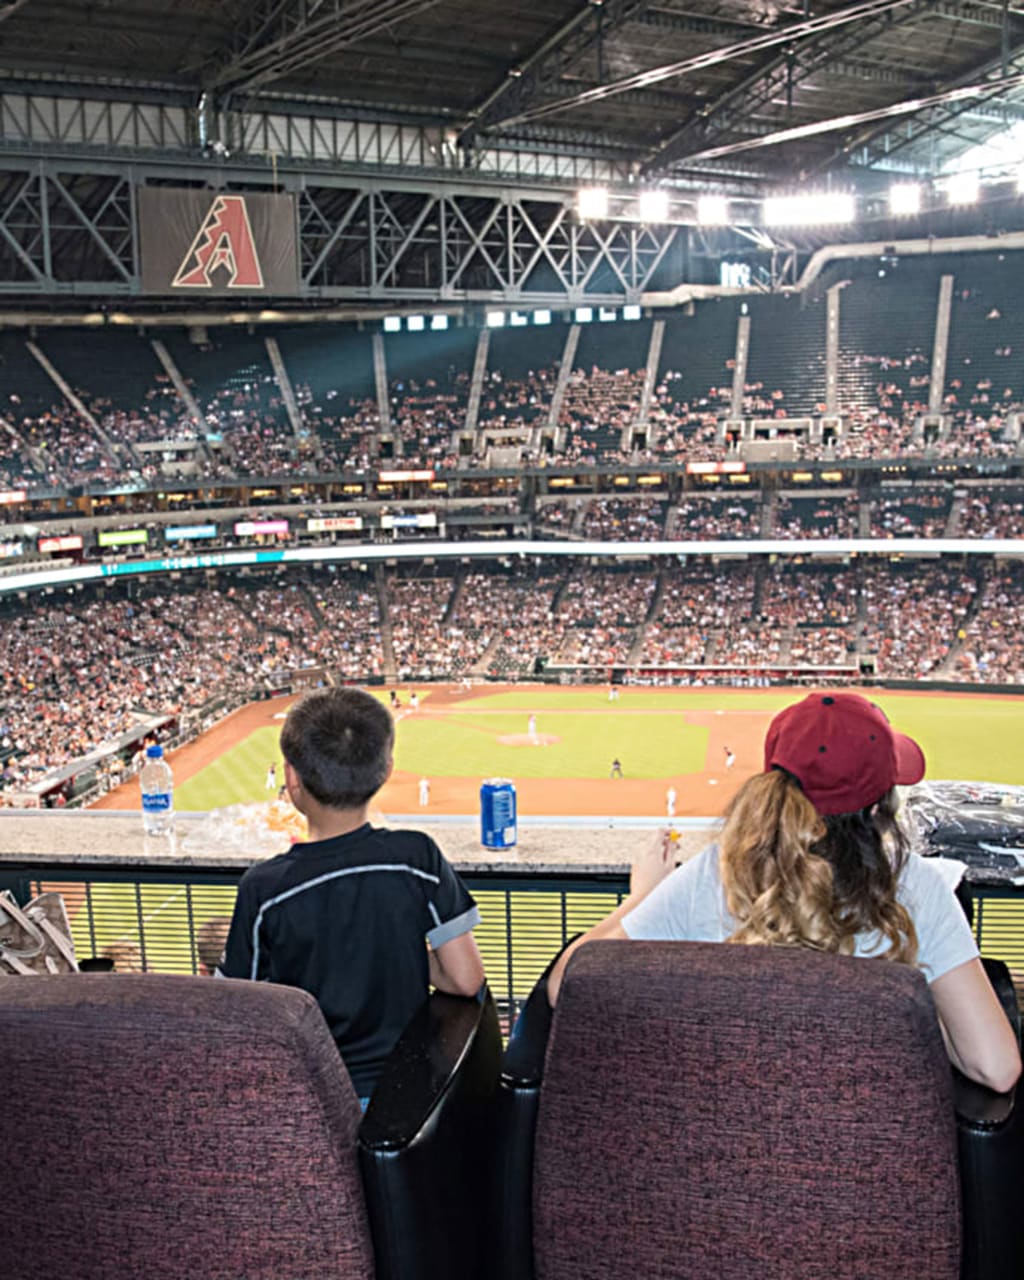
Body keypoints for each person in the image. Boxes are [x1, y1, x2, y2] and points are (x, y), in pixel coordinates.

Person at [549, 692, 1021, 1094]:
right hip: (868, 1174)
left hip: (715, 1166)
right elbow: (997, 1070)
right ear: (883, 803)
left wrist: (641, 895)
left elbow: (563, 986)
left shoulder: (714, 876)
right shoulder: (919, 889)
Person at [219, 687, 485, 1106]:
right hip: (407, 1096)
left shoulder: (264, 888)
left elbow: (237, 1012)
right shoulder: (416, 856)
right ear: (386, 770)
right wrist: (396, 945)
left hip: (309, 1102)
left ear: (291, 778)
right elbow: (466, 980)